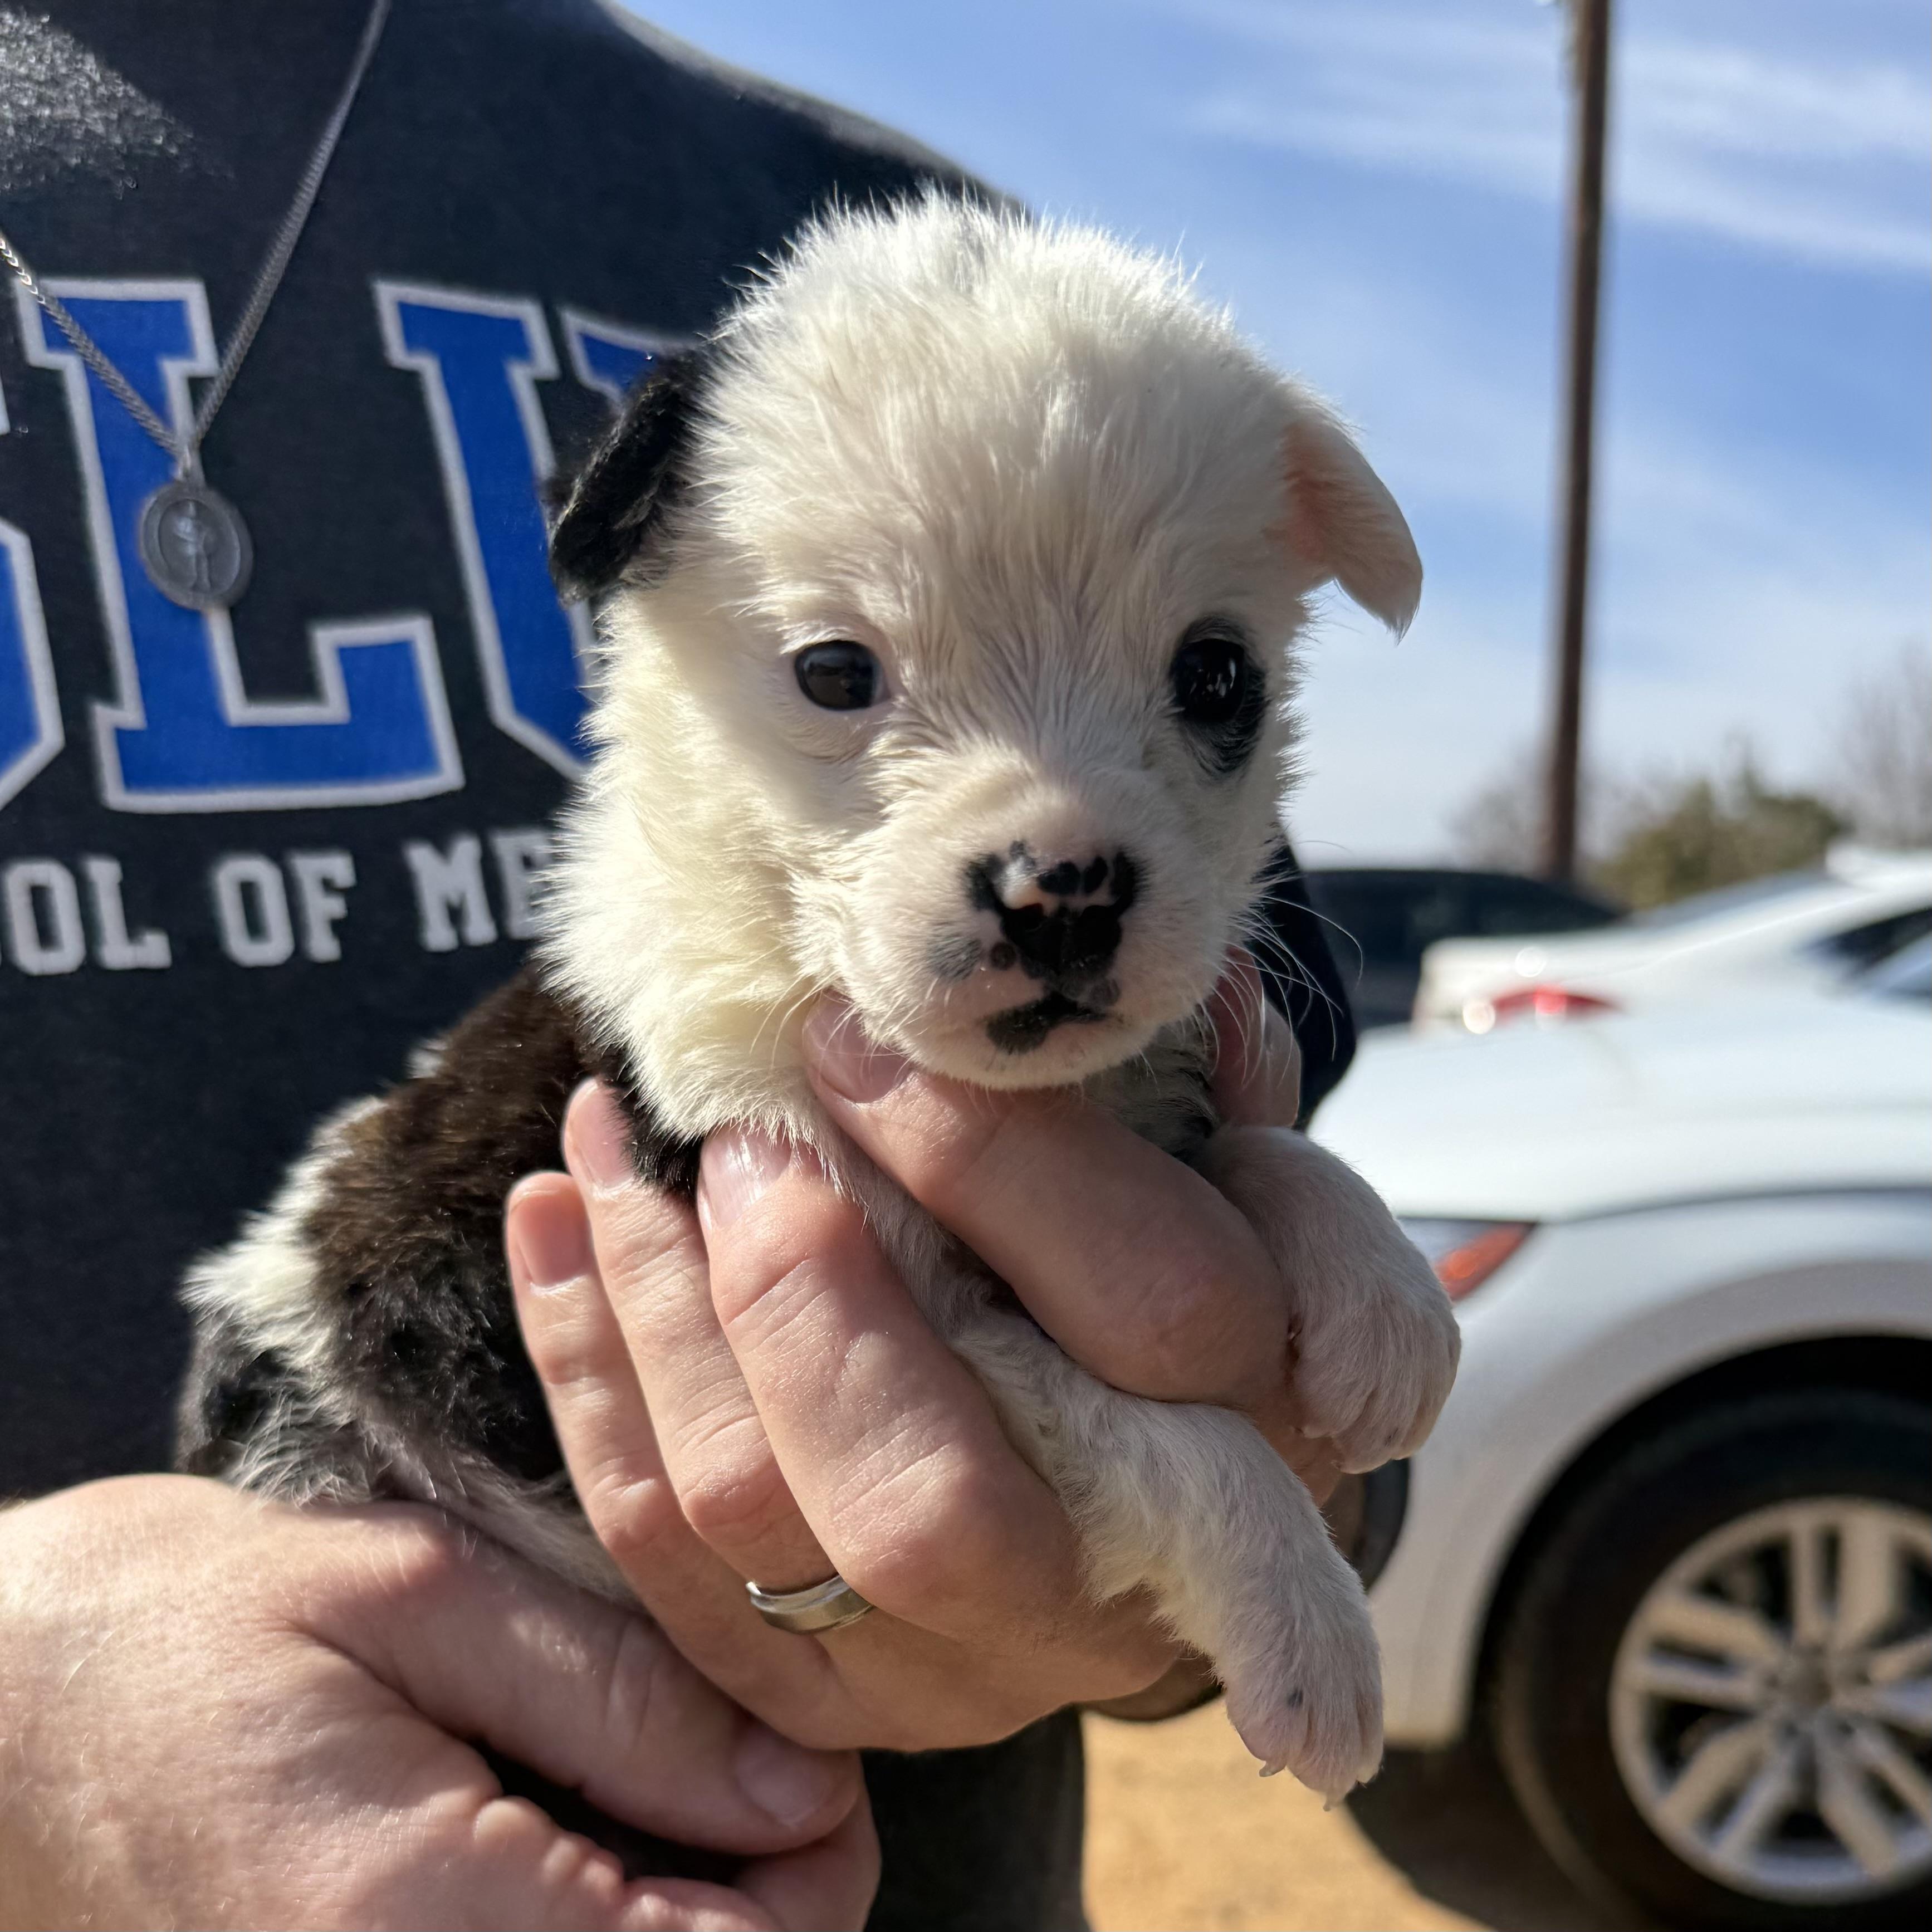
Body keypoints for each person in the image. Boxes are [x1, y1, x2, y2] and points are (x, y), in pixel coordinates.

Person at [0, 4, 1358, 1926]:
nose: (1051, 837)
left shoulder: (949, 274)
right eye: (841, 679)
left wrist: (1243, 1476)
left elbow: (1233, 1111)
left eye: (1202, 683)